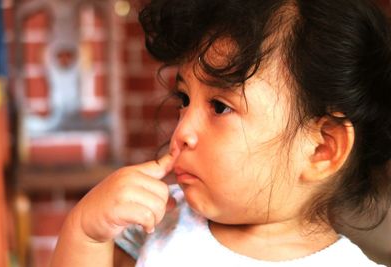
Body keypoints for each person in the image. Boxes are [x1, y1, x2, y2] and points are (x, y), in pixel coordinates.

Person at [50, 0, 391, 266]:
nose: (182, 131)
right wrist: (86, 234)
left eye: (219, 107)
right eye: (183, 100)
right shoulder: (157, 222)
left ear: (321, 148)